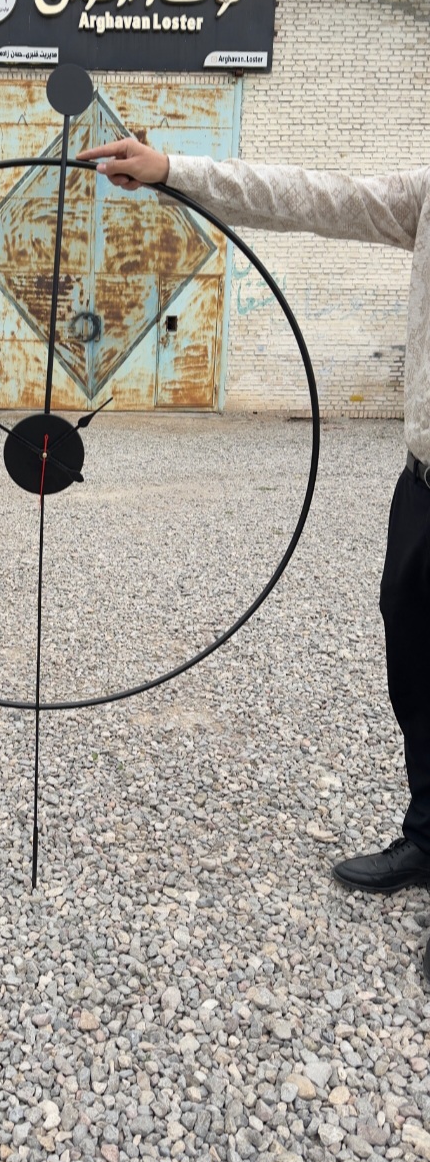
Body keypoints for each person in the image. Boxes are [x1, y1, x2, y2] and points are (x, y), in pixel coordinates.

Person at [78, 137, 430, 982]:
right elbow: (309, 195)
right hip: (425, 482)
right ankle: (427, 836)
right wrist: (173, 173)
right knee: (416, 669)